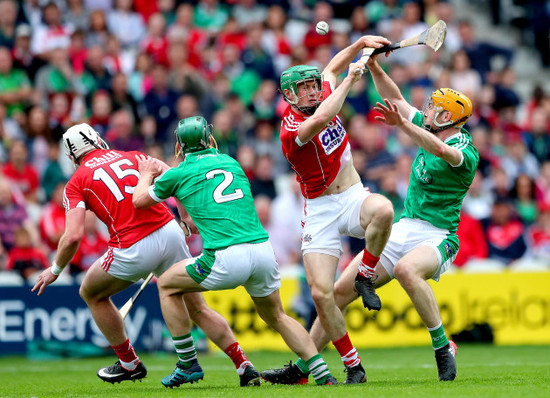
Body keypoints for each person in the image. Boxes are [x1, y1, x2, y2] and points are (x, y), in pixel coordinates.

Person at [273, 55, 478, 382]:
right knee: (338, 293)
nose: (424, 110)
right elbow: (395, 98)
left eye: (432, 108)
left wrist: (404, 125)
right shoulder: (429, 124)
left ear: (446, 117)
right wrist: (375, 67)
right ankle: (302, 368)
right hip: (405, 226)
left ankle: (443, 347)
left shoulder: (464, 151)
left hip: (438, 235)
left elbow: (440, 151)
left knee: (407, 270)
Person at [31, 123, 261, 387]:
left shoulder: (75, 182)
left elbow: (72, 236)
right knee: (197, 308)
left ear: (71, 156)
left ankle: (129, 363)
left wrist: (55, 269)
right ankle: (243, 364)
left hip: (132, 247)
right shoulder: (134, 155)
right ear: (97, 140)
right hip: (170, 232)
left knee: (90, 292)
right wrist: (185, 218)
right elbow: (178, 178)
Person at [132, 116, 338, 387]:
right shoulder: (231, 162)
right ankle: (323, 374)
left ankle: (187, 363)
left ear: (180, 145)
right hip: (263, 251)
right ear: (208, 138)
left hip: (225, 257)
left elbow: (139, 201)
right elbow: (204, 215)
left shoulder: (178, 173)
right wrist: (185, 221)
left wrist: (147, 173)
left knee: (168, 285)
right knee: (277, 316)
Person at [262, 35, 395, 385]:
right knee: (322, 294)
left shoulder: (323, 91)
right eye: (302, 89)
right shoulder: (293, 129)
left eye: (312, 85)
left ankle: (365, 274)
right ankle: (354, 366)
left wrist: (360, 43)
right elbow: (324, 115)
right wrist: (351, 79)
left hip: (351, 195)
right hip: (320, 209)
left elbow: (332, 67)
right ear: (289, 96)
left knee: (383, 210)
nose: (310, 91)